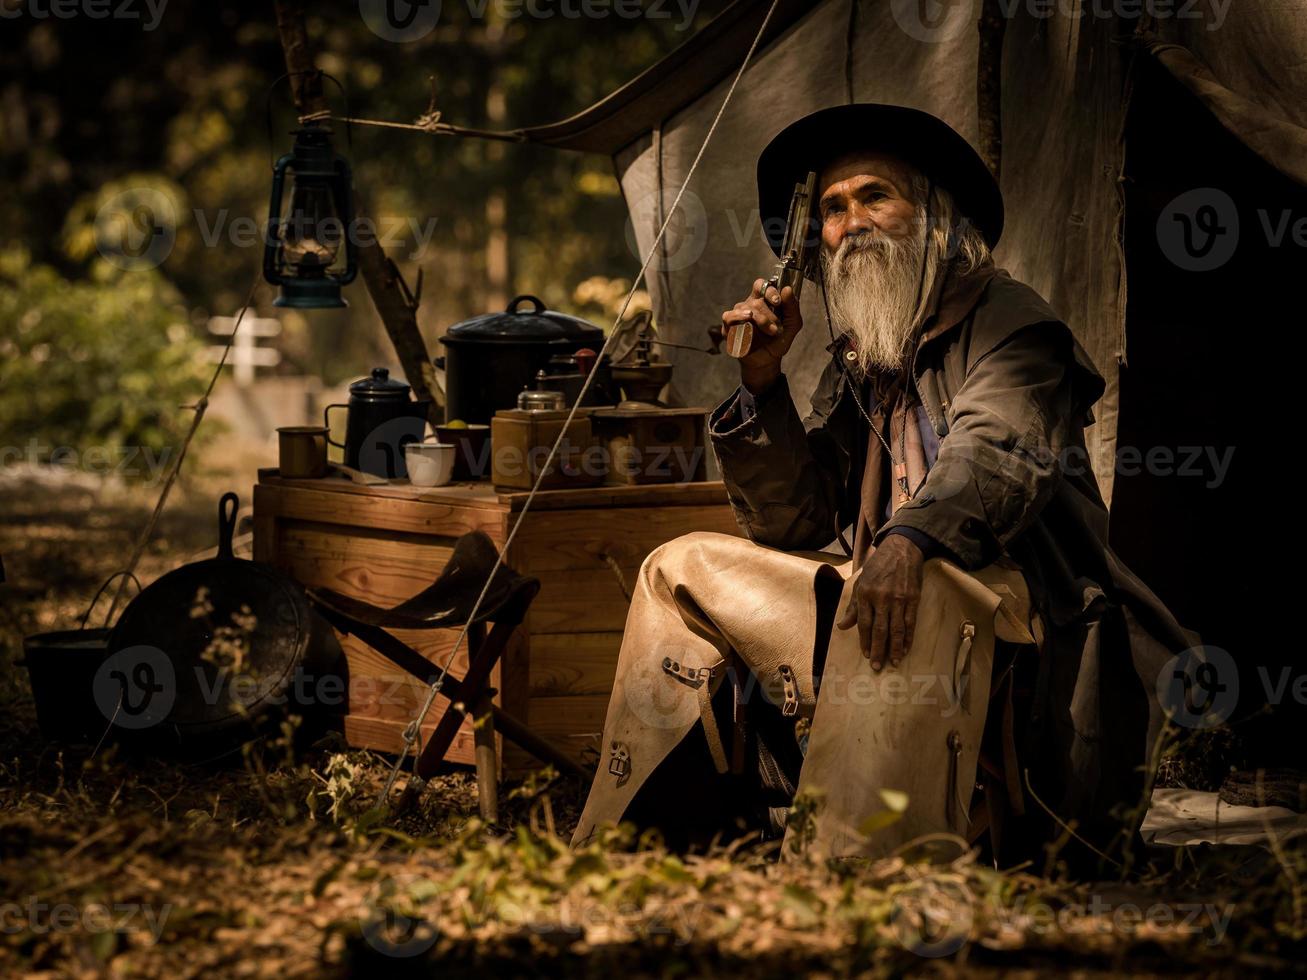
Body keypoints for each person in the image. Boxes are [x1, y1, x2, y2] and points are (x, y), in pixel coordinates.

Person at [571, 104, 1193, 870]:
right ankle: (636, 853)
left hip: (1020, 616)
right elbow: (795, 523)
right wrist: (761, 385)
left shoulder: (1012, 322)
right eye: (832, 209)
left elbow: (995, 449)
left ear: (932, 218)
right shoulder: (865, 360)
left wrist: (911, 538)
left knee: (923, 578)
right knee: (676, 568)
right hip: (878, 599)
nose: (851, 222)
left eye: (874, 197)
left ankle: (845, 874)